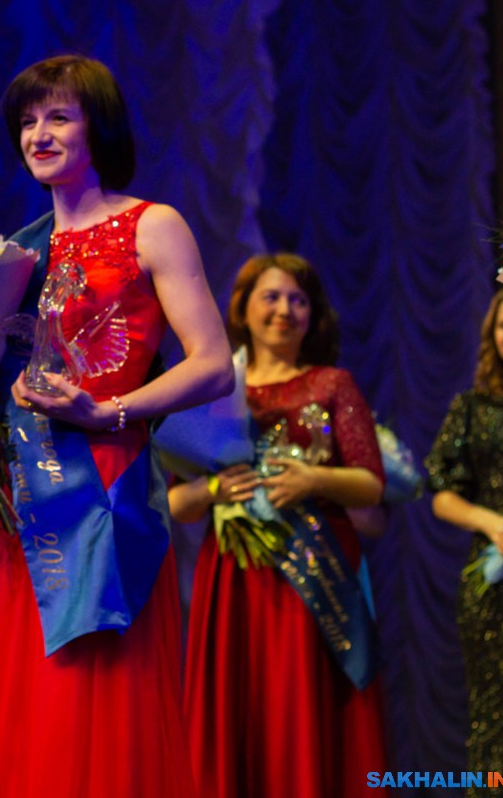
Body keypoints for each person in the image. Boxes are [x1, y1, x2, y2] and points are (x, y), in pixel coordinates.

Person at [0, 55, 232, 797]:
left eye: (59, 117)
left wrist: (110, 411)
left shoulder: (152, 225)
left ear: (99, 128)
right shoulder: (17, 249)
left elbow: (214, 365)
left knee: (101, 691)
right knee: (33, 696)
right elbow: (3, 378)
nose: (39, 133)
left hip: (106, 484)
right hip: (29, 501)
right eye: (28, 121)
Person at [169, 253, 389, 798]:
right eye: (271, 297)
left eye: (298, 299)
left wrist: (314, 479)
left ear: (314, 315)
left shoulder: (333, 384)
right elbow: (174, 503)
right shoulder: (212, 388)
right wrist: (214, 490)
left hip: (315, 577)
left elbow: (370, 485)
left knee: (305, 707)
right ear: (242, 308)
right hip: (235, 580)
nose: (285, 310)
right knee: (239, 708)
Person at [425, 288, 503, 790]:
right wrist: (493, 525)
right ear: (491, 336)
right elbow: (442, 495)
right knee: (499, 717)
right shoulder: (471, 407)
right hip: (493, 583)